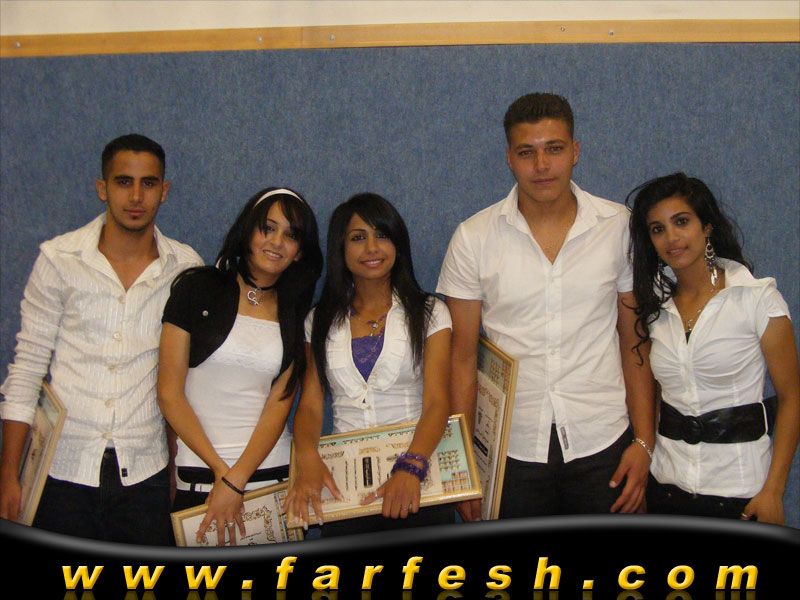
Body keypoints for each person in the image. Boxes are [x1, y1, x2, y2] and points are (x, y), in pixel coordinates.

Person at [437, 93, 655, 521]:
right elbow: (461, 359)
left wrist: (644, 442)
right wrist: (463, 465)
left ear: (575, 151)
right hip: (512, 451)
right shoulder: (473, 238)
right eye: (526, 152)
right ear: (509, 158)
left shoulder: (618, 227)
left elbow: (635, 342)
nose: (541, 165)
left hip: (604, 441)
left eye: (554, 148)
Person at [0, 134, 202, 544]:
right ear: (102, 188)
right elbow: (27, 370)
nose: (136, 196)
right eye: (123, 182)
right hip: (62, 470)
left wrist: (177, 467)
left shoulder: (185, 268)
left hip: (145, 473)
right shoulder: (59, 259)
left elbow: (183, 380)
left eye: (148, 183)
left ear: (164, 191)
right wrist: (8, 473)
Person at [626, 172, 800, 523]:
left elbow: (792, 397)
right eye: (658, 229)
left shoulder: (756, 299)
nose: (671, 237)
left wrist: (773, 490)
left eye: (682, 222)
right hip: (667, 488)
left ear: (707, 227)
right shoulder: (654, 310)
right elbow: (657, 396)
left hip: (739, 494)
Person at [157, 187, 322, 545]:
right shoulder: (195, 288)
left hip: (270, 481)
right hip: (200, 479)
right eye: (268, 228)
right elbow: (169, 394)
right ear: (248, 231)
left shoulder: (294, 312)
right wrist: (223, 475)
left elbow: (279, 404)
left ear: (299, 252)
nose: (277, 242)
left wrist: (236, 479)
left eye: (291, 235)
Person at [285, 193, 453, 536]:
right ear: (341, 249)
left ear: (398, 244)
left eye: (382, 235)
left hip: (419, 481)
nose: (372, 248)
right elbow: (311, 404)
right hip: (347, 488)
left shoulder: (430, 312)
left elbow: (437, 402)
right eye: (358, 237)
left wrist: (411, 467)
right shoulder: (318, 320)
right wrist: (307, 458)